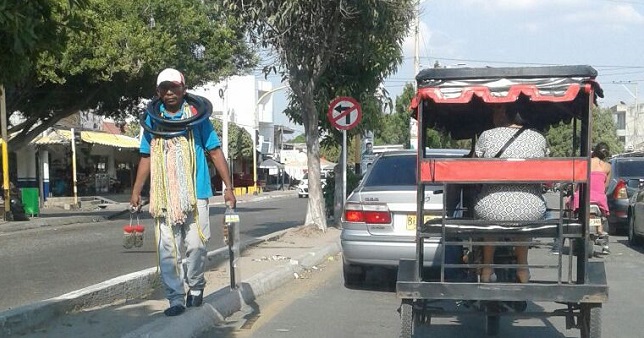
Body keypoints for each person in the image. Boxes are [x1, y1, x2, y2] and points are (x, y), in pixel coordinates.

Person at [130, 68, 236, 317]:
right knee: (168, 250)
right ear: (158, 92)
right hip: (164, 195)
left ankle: (196, 287)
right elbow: (145, 156)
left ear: (183, 89)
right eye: (164, 88)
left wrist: (228, 187)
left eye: (174, 87)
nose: (169, 92)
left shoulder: (199, 119)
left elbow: (215, 152)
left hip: (196, 192)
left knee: (197, 245)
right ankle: (175, 298)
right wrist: (136, 190)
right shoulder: (153, 121)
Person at [473, 104, 547, 283]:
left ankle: (486, 269)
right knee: (523, 214)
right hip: (531, 209)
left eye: (497, 111)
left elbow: (474, 165)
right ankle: (522, 268)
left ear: (505, 114)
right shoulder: (538, 138)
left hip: (490, 208)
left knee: (489, 214)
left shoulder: (487, 135)